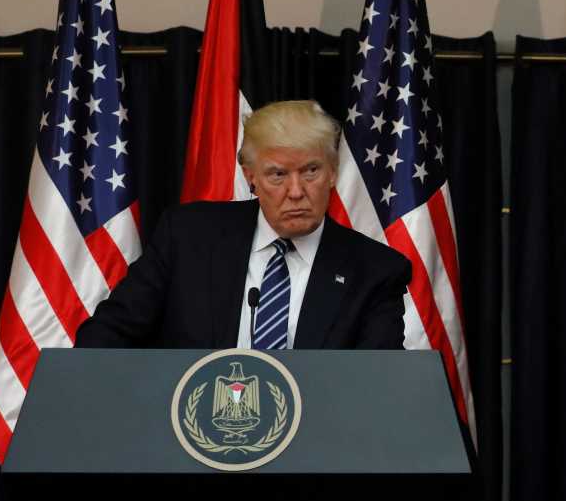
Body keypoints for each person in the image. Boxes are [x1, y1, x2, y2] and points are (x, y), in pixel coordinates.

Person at [77, 100, 411, 350]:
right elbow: (104, 337)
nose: (296, 192)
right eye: (278, 174)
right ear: (251, 177)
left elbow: (376, 385)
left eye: (311, 170)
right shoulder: (187, 237)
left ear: (333, 173)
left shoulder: (375, 271)